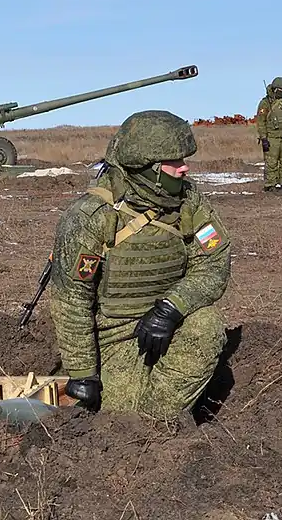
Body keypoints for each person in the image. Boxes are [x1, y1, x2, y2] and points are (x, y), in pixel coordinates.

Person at [46, 110, 231, 428]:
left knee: (207, 325)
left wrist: (171, 308)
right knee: (120, 416)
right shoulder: (92, 217)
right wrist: (83, 373)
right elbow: (71, 300)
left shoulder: (189, 203)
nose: (184, 168)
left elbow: (214, 263)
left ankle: (160, 426)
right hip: (113, 339)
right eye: (174, 162)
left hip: (169, 327)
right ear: (147, 168)